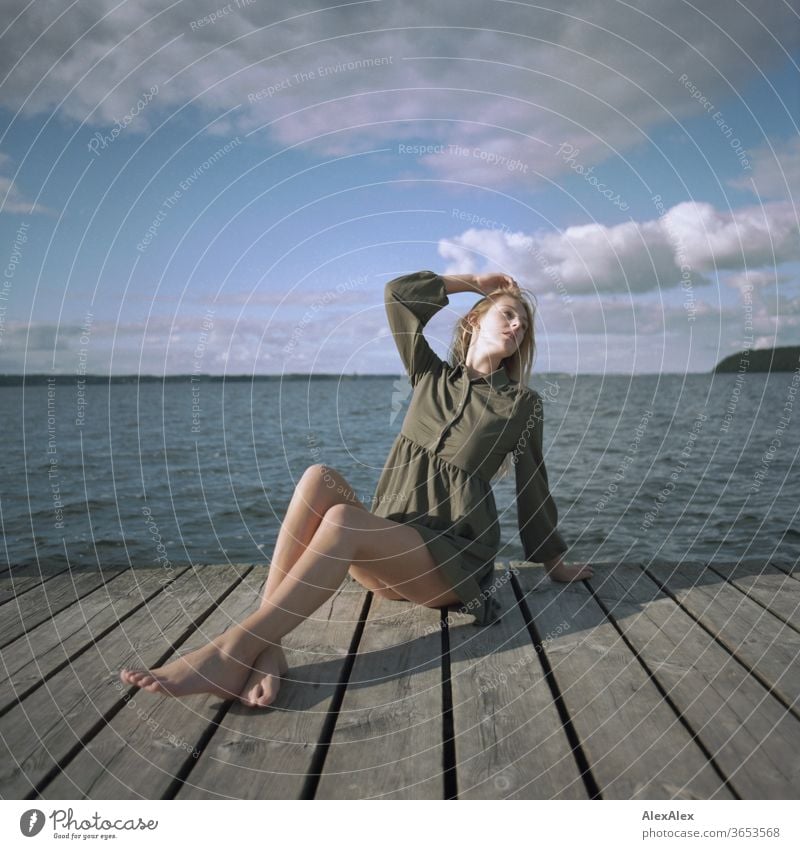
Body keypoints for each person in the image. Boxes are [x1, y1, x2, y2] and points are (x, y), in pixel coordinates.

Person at [119, 270, 593, 708]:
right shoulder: (429, 375)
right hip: (390, 549)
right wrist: (473, 281)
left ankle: (232, 650)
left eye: (524, 325)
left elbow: (534, 486)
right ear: (474, 320)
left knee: (342, 522)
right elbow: (398, 296)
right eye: (508, 313)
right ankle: (269, 647)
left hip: (452, 565)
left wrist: (555, 563)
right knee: (316, 478)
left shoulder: (521, 404)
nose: (517, 327)